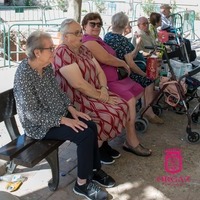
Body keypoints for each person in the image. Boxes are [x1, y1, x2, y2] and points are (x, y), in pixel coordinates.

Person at [13, 30, 115, 200]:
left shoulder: (45, 67)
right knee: (84, 134)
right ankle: (82, 185)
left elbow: (58, 91)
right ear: (37, 53)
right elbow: (31, 114)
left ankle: (93, 170)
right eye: (50, 48)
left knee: (90, 124)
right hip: (40, 126)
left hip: (57, 114)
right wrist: (64, 120)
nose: (54, 51)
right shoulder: (24, 74)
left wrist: (72, 109)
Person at [53, 18, 152, 160]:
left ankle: (102, 144)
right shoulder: (63, 52)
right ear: (66, 36)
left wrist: (104, 89)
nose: (81, 35)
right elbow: (78, 84)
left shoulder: (83, 49)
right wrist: (101, 96)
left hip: (94, 92)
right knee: (108, 114)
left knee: (122, 105)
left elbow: (99, 71)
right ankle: (94, 157)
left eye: (80, 32)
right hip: (77, 99)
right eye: (77, 33)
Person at [88, 12, 163, 124]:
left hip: (118, 69)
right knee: (149, 80)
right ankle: (148, 110)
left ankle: (146, 107)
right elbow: (130, 64)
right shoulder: (122, 40)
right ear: (125, 25)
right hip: (123, 72)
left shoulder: (108, 36)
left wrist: (137, 46)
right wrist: (144, 74)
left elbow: (126, 56)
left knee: (148, 76)